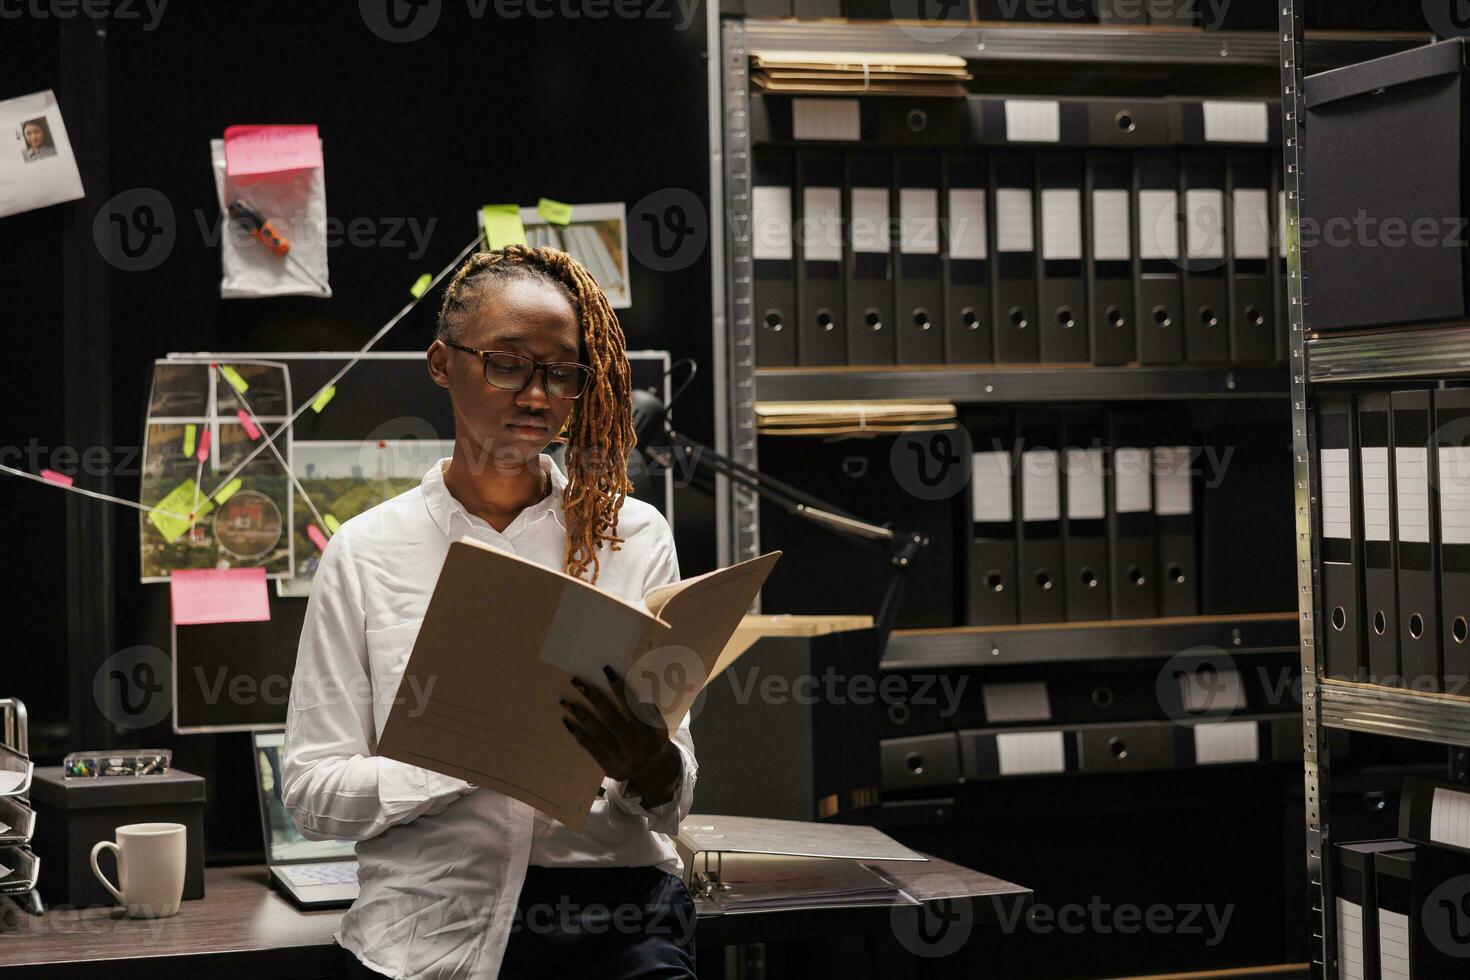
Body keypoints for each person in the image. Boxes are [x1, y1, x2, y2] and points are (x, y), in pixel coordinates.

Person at [282, 245, 697, 980]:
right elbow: (312, 794)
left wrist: (653, 767)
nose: (536, 395)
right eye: (507, 364)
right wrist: (460, 762)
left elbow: (671, 803)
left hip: (618, 918)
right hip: (427, 927)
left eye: (561, 372)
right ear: (443, 364)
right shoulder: (367, 553)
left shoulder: (632, 537)